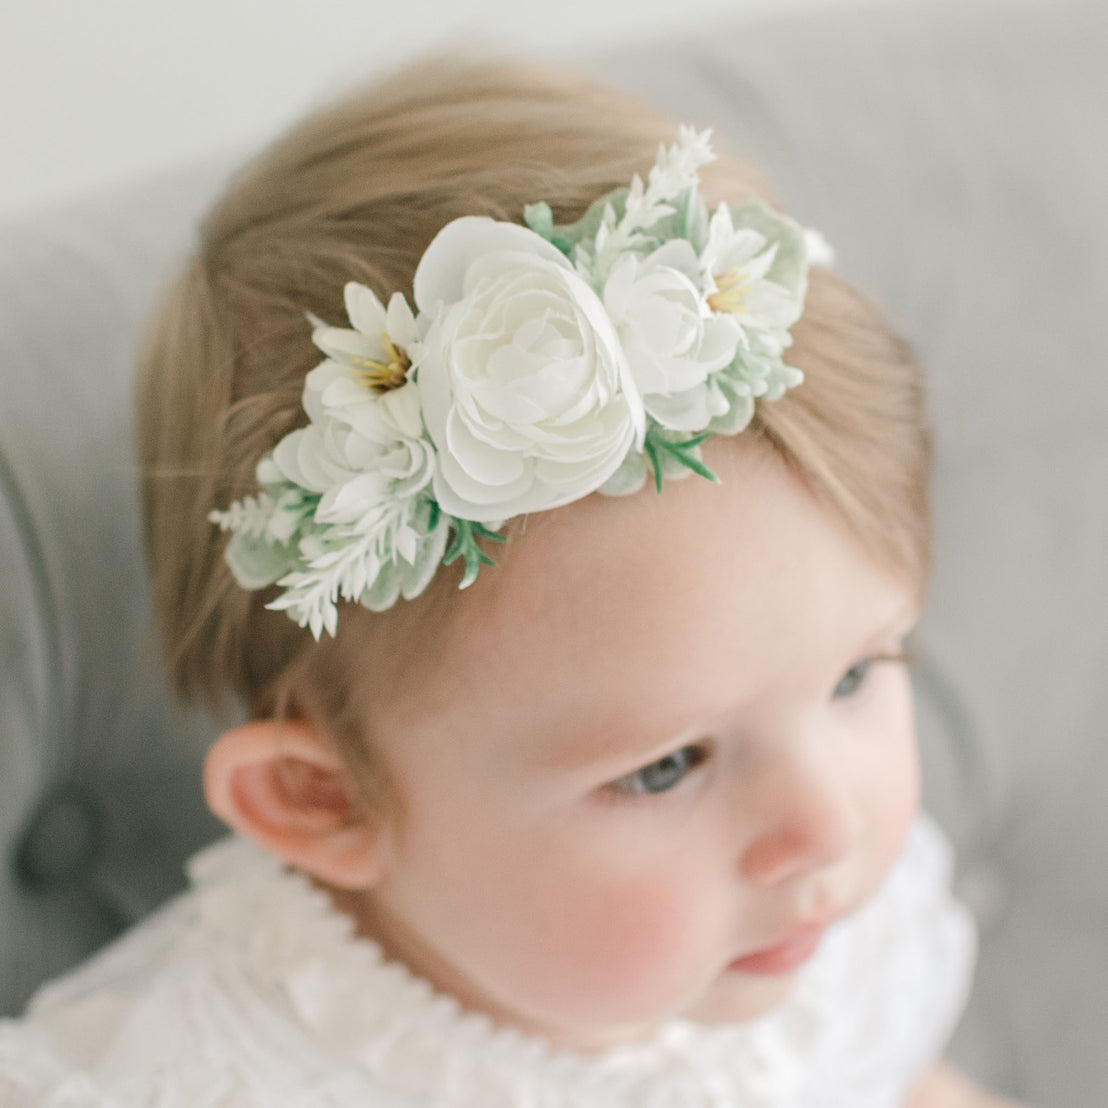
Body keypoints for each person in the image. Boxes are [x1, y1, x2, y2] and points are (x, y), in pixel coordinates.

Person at [0, 57, 1028, 1107]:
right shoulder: (198, 1082)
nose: (829, 823)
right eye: (667, 765)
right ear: (328, 798)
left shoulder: (819, 937)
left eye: (855, 677)